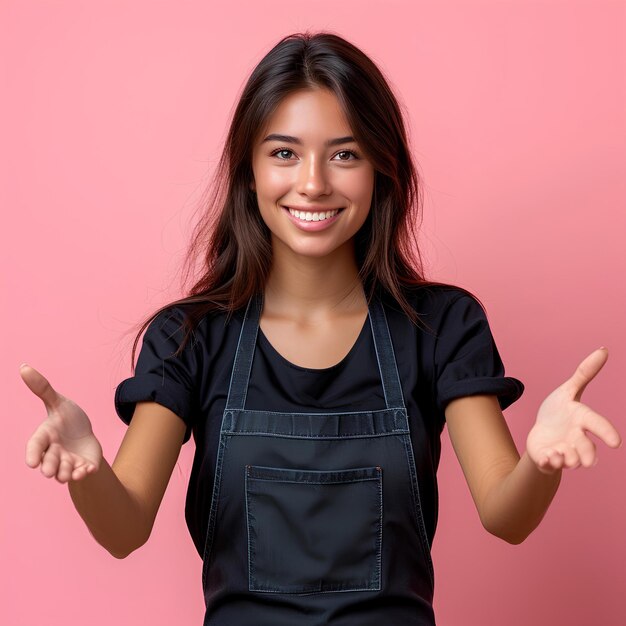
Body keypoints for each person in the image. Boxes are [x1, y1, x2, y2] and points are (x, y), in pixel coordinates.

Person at [20, 31, 621, 626]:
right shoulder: (190, 337)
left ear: (382, 169)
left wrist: (540, 464)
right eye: (284, 153)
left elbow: (505, 517)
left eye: (345, 153)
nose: (313, 183)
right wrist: (90, 472)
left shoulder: (440, 325)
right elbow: (123, 530)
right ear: (248, 171)